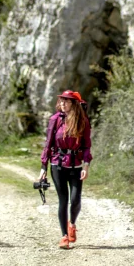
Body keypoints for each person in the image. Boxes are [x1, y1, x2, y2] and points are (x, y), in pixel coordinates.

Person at [39, 89, 92, 249]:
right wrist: (43, 167)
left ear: (73, 103)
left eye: (66, 101)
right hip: (57, 164)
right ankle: (64, 237)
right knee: (63, 200)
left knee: (75, 200)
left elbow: (87, 145)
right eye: (61, 101)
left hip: (76, 165)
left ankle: (72, 224)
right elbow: (48, 144)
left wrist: (86, 165)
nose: (62, 103)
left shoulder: (83, 121)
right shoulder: (55, 120)